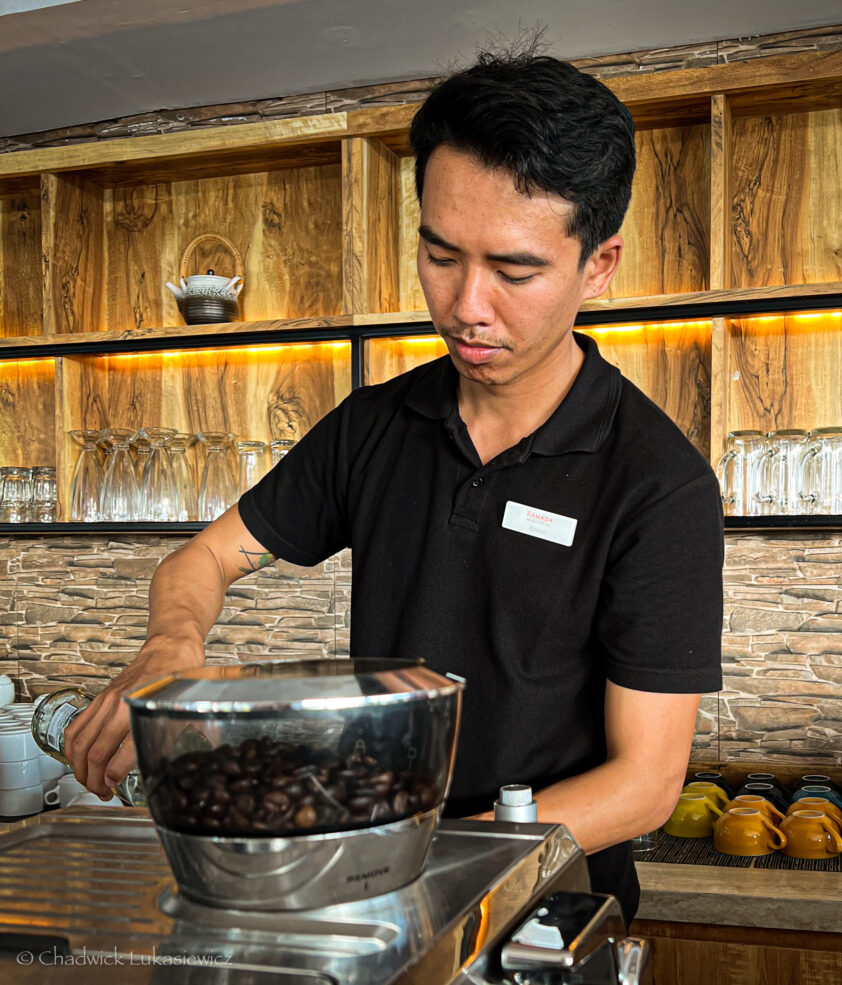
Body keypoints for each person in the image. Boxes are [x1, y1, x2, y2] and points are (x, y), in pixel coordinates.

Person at [65, 50, 723, 922]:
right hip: (372, 890)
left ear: (598, 265)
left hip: (545, 907)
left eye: (514, 272)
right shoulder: (377, 426)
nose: (466, 305)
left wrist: (416, 857)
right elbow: (204, 560)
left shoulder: (657, 482)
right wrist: (171, 646)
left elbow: (644, 784)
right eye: (440, 254)